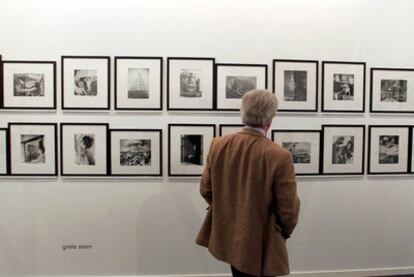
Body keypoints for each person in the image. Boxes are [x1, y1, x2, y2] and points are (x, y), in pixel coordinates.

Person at [195, 89, 300, 277]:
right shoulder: (279, 155)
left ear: (243, 112)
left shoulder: (219, 144)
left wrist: (227, 213)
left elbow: (206, 189)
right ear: (270, 119)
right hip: (263, 240)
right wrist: (284, 231)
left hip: (229, 235)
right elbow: (288, 208)